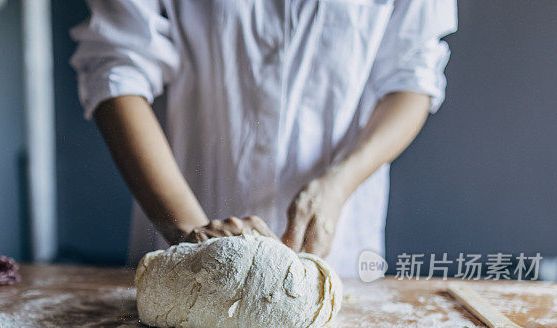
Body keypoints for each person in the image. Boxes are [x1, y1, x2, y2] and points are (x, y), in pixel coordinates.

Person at [71, 0, 457, 277]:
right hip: (184, 225)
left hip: (337, 246)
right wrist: (190, 231)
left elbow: (412, 80)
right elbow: (116, 69)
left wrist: (338, 185)